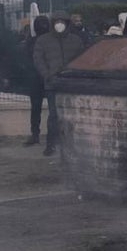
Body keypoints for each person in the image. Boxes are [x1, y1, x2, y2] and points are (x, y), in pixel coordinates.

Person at [32, 15, 86, 156]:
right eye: (57, 22)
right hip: (53, 83)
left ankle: (71, 144)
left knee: (72, 115)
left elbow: (82, 58)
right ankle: (51, 144)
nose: (59, 25)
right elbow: (38, 60)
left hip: (71, 83)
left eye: (62, 22)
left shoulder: (75, 40)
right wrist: (47, 75)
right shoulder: (43, 41)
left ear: (67, 24)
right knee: (54, 115)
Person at [24, 15, 51, 146]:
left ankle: (42, 135)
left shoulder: (35, 41)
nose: (43, 27)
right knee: (36, 108)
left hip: (44, 77)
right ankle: (35, 134)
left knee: (48, 108)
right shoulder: (31, 41)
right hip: (37, 78)